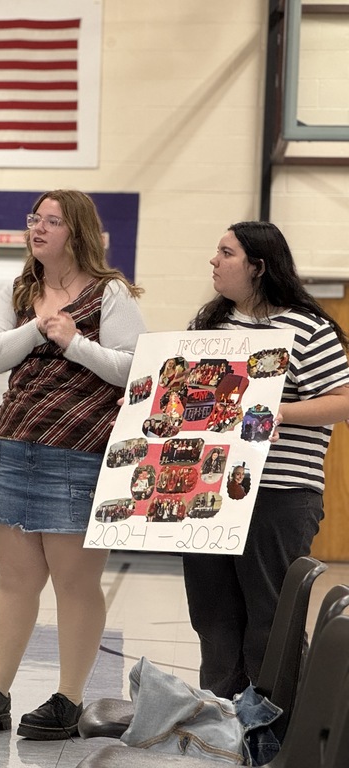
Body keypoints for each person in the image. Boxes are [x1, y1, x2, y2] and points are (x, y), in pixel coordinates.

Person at [0, 190, 145, 739]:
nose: (38, 228)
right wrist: (39, 326)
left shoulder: (110, 294)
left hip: (80, 455)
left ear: (77, 230)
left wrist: (74, 340)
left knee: (75, 583)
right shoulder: (21, 290)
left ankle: (68, 698)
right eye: (34, 219)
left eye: (52, 221)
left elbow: (135, 368)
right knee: (15, 581)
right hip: (13, 448)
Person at [183, 221, 349, 699]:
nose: (214, 261)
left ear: (257, 266)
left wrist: (281, 411)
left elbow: (342, 400)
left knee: (271, 615)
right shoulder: (210, 326)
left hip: (280, 491)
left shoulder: (308, 328)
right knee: (212, 615)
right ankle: (220, 716)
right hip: (209, 489)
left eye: (225, 252)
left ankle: (276, 725)